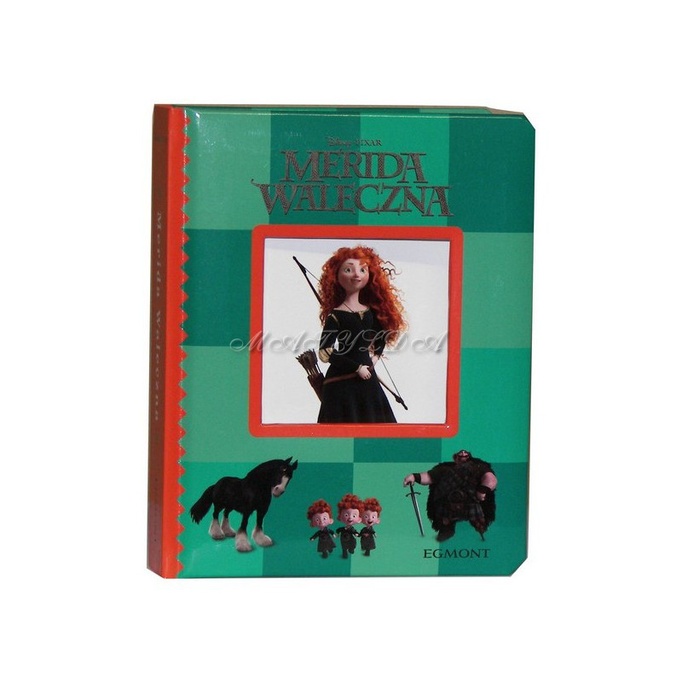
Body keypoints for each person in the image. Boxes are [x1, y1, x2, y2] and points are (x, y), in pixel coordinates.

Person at [316, 245, 406, 423]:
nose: (356, 275)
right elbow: (325, 351)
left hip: (368, 378)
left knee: (377, 424)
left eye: (362, 270)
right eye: (348, 270)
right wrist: (357, 368)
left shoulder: (370, 312)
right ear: (335, 276)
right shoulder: (335, 316)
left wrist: (376, 356)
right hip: (341, 382)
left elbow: (381, 335)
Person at [403, 450, 497, 541]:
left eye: (465, 454)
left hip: (470, 501)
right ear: (455, 458)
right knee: (445, 523)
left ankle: (481, 532)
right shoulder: (444, 469)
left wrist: (482, 490)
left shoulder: (479, 467)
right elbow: (428, 477)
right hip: (448, 502)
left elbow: (490, 479)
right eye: (460, 454)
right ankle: (446, 530)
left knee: (479, 524)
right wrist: (414, 476)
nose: (463, 453)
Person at [335, 494, 364, 558]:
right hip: (343, 540)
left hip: (351, 540)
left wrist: (356, 534)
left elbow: (354, 531)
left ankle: (351, 549)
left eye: (354, 516)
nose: (350, 518)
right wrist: (337, 534)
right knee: (344, 547)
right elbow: (338, 530)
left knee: (353, 544)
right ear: (340, 516)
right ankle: (344, 554)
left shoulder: (352, 529)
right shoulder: (342, 529)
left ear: (359, 519)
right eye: (346, 515)